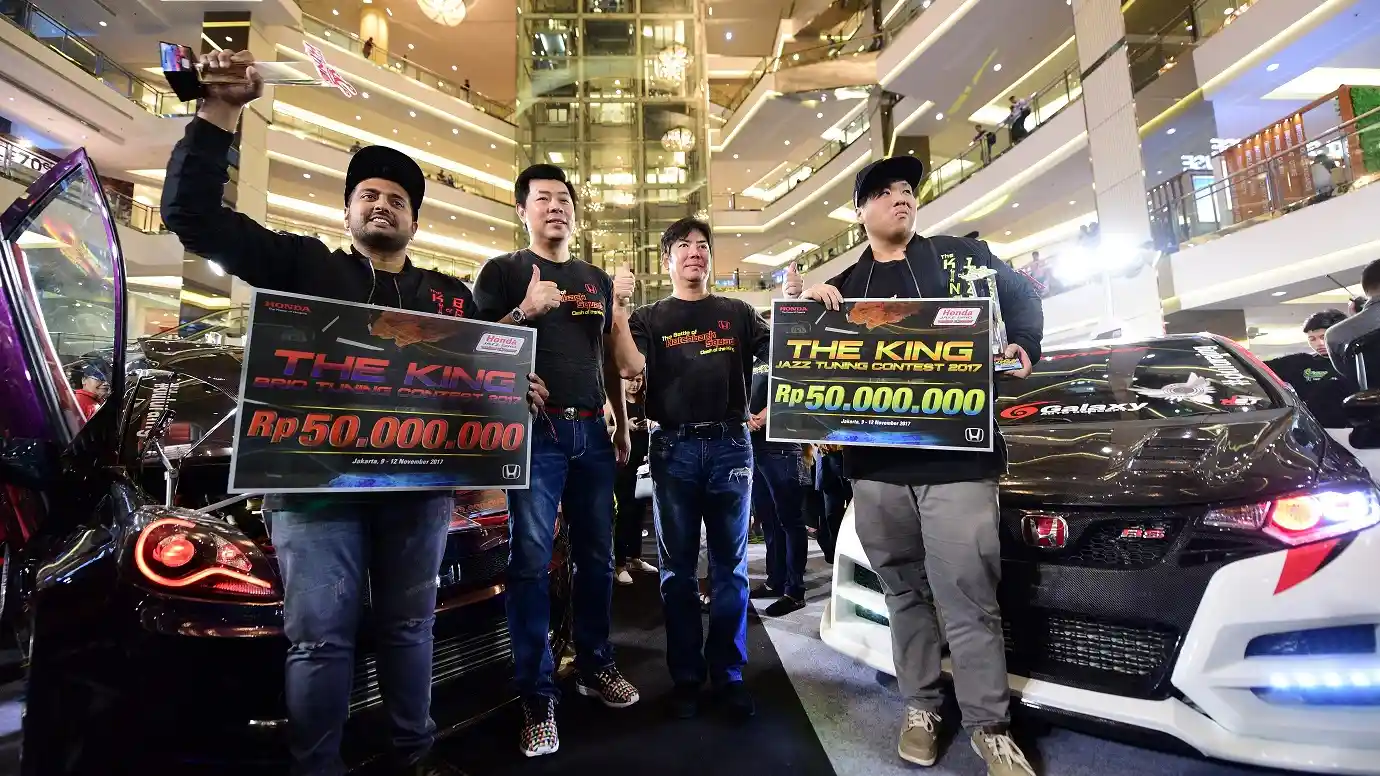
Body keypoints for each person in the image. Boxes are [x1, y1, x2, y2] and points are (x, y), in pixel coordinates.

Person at [159, 48, 548, 776]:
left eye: (398, 199)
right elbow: (191, 216)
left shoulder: (448, 297)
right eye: (369, 194)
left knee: (410, 628)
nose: (382, 205)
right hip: (313, 489)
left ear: (414, 221)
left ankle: (414, 757)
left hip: (418, 492)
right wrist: (220, 112)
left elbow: (480, 386)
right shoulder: (304, 266)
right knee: (320, 639)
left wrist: (511, 393)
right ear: (347, 211)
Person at [801, 156, 1044, 775]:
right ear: (860, 212)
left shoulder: (961, 258)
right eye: (884, 192)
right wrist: (804, 309)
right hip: (877, 468)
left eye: (907, 189)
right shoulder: (842, 287)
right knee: (903, 593)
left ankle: (990, 725)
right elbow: (805, 366)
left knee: (968, 596)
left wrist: (1024, 343)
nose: (901, 198)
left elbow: (1022, 295)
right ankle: (922, 707)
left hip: (959, 460)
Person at [471, 163, 642, 757]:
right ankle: (536, 695)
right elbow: (471, 350)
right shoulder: (502, 271)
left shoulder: (595, 280)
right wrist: (523, 312)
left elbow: (609, 359)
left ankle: (595, 663)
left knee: (597, 559)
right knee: (530, 563)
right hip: (533, 437)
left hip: (593, 432)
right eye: (542, 198)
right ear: (522, 210)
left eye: (563, 198)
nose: (555, 206)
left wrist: (621, 423)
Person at [617, 217, 769, 721]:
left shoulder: (738, 312)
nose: (695, 252)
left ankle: (728, 674)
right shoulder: (650, 317)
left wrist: (803, 301)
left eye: (702, 245)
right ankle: (685, 676)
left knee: (730, 569)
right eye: (683, 245)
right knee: (677, 572)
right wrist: (617, 309)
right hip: (673, 448)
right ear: (667, 260)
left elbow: (787, 347)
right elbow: (627, 366)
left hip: (731, 446)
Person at [746, 300, 809, 617]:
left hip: (782, 446)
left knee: (790, 521)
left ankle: (795, 591)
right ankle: (775, 579)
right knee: (768, 519)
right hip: (754, 446)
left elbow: (800, 387)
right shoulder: (749, 357)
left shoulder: (788, 354)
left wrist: (764, 415)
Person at [1265, 309, 1352, 429]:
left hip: (1353, 430)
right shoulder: (1300, 362)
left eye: (1323, 337)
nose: (1319, 343)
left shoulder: (1358, 362)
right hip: (1312, 431)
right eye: (1312, 339)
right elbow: (1256, 368)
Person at [613, 372, 657, 584]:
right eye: (630, 380)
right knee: (624, 512)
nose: (634, 384)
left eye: (638, 380)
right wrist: (624, 427)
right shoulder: (615, 402)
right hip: (622, 464)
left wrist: (649, 424)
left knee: (639, 512)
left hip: (643, 464)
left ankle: (635, 557)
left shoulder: (646, 403)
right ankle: (619, 563)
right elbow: (602, 427)